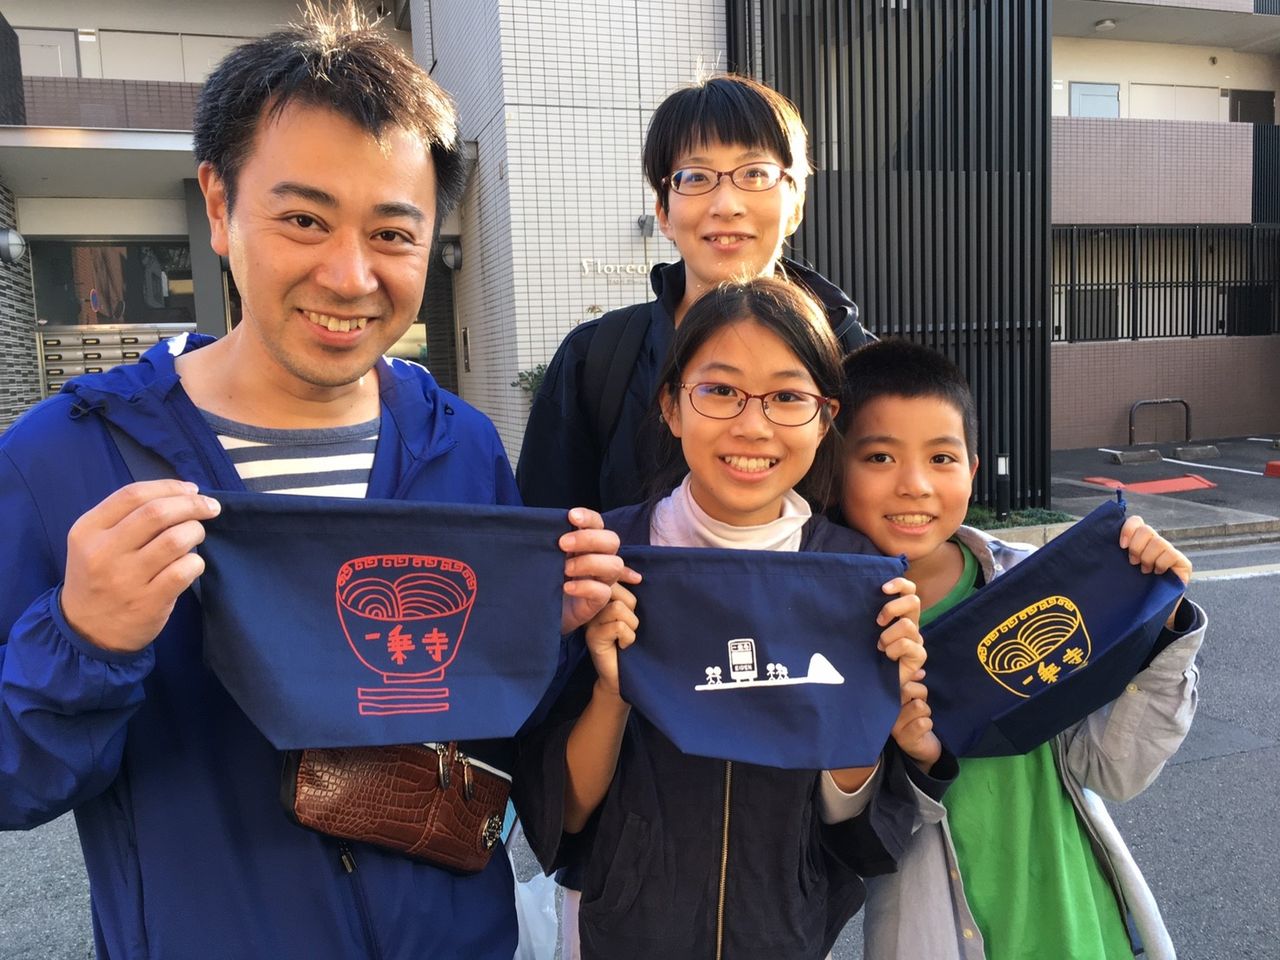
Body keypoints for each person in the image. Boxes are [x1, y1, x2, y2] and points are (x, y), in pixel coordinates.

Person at [0, 9, 627, 959]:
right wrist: (83, 639)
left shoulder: (458, 447)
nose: (349, 275)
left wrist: (553, 630)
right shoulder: (64, 460)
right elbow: (14, 780)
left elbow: (509, 725)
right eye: (304, 219)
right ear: (219, 206)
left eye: (392, 233)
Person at [513, 278, 954, 960]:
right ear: (671, 406)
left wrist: (866, 711)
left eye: (787, 397)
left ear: (824, 418)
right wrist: (612, 690)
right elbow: (565, 815)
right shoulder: (602, 562)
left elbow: (851, 826)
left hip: (784, 932)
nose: (753, 426)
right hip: (623, 931)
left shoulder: (856, 578)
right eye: (720, 390)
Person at [837, 338, 1207, 960]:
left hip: (1084, 928)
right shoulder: (828, 630)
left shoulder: (1034, 585)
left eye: (942, 457)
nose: (915, 485)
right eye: (879, 456)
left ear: (973, 469)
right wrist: (919, 764)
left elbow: (1113, 771)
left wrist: (1161, 627)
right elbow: (842, 838)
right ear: (833, 467)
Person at [517, 73, 874, 514]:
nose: (726, 205)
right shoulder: (594, 362)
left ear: (795, 206)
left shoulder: (856, 362)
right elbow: (544, 534)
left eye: (755, 173)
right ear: (663, 212)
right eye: (695, 176)